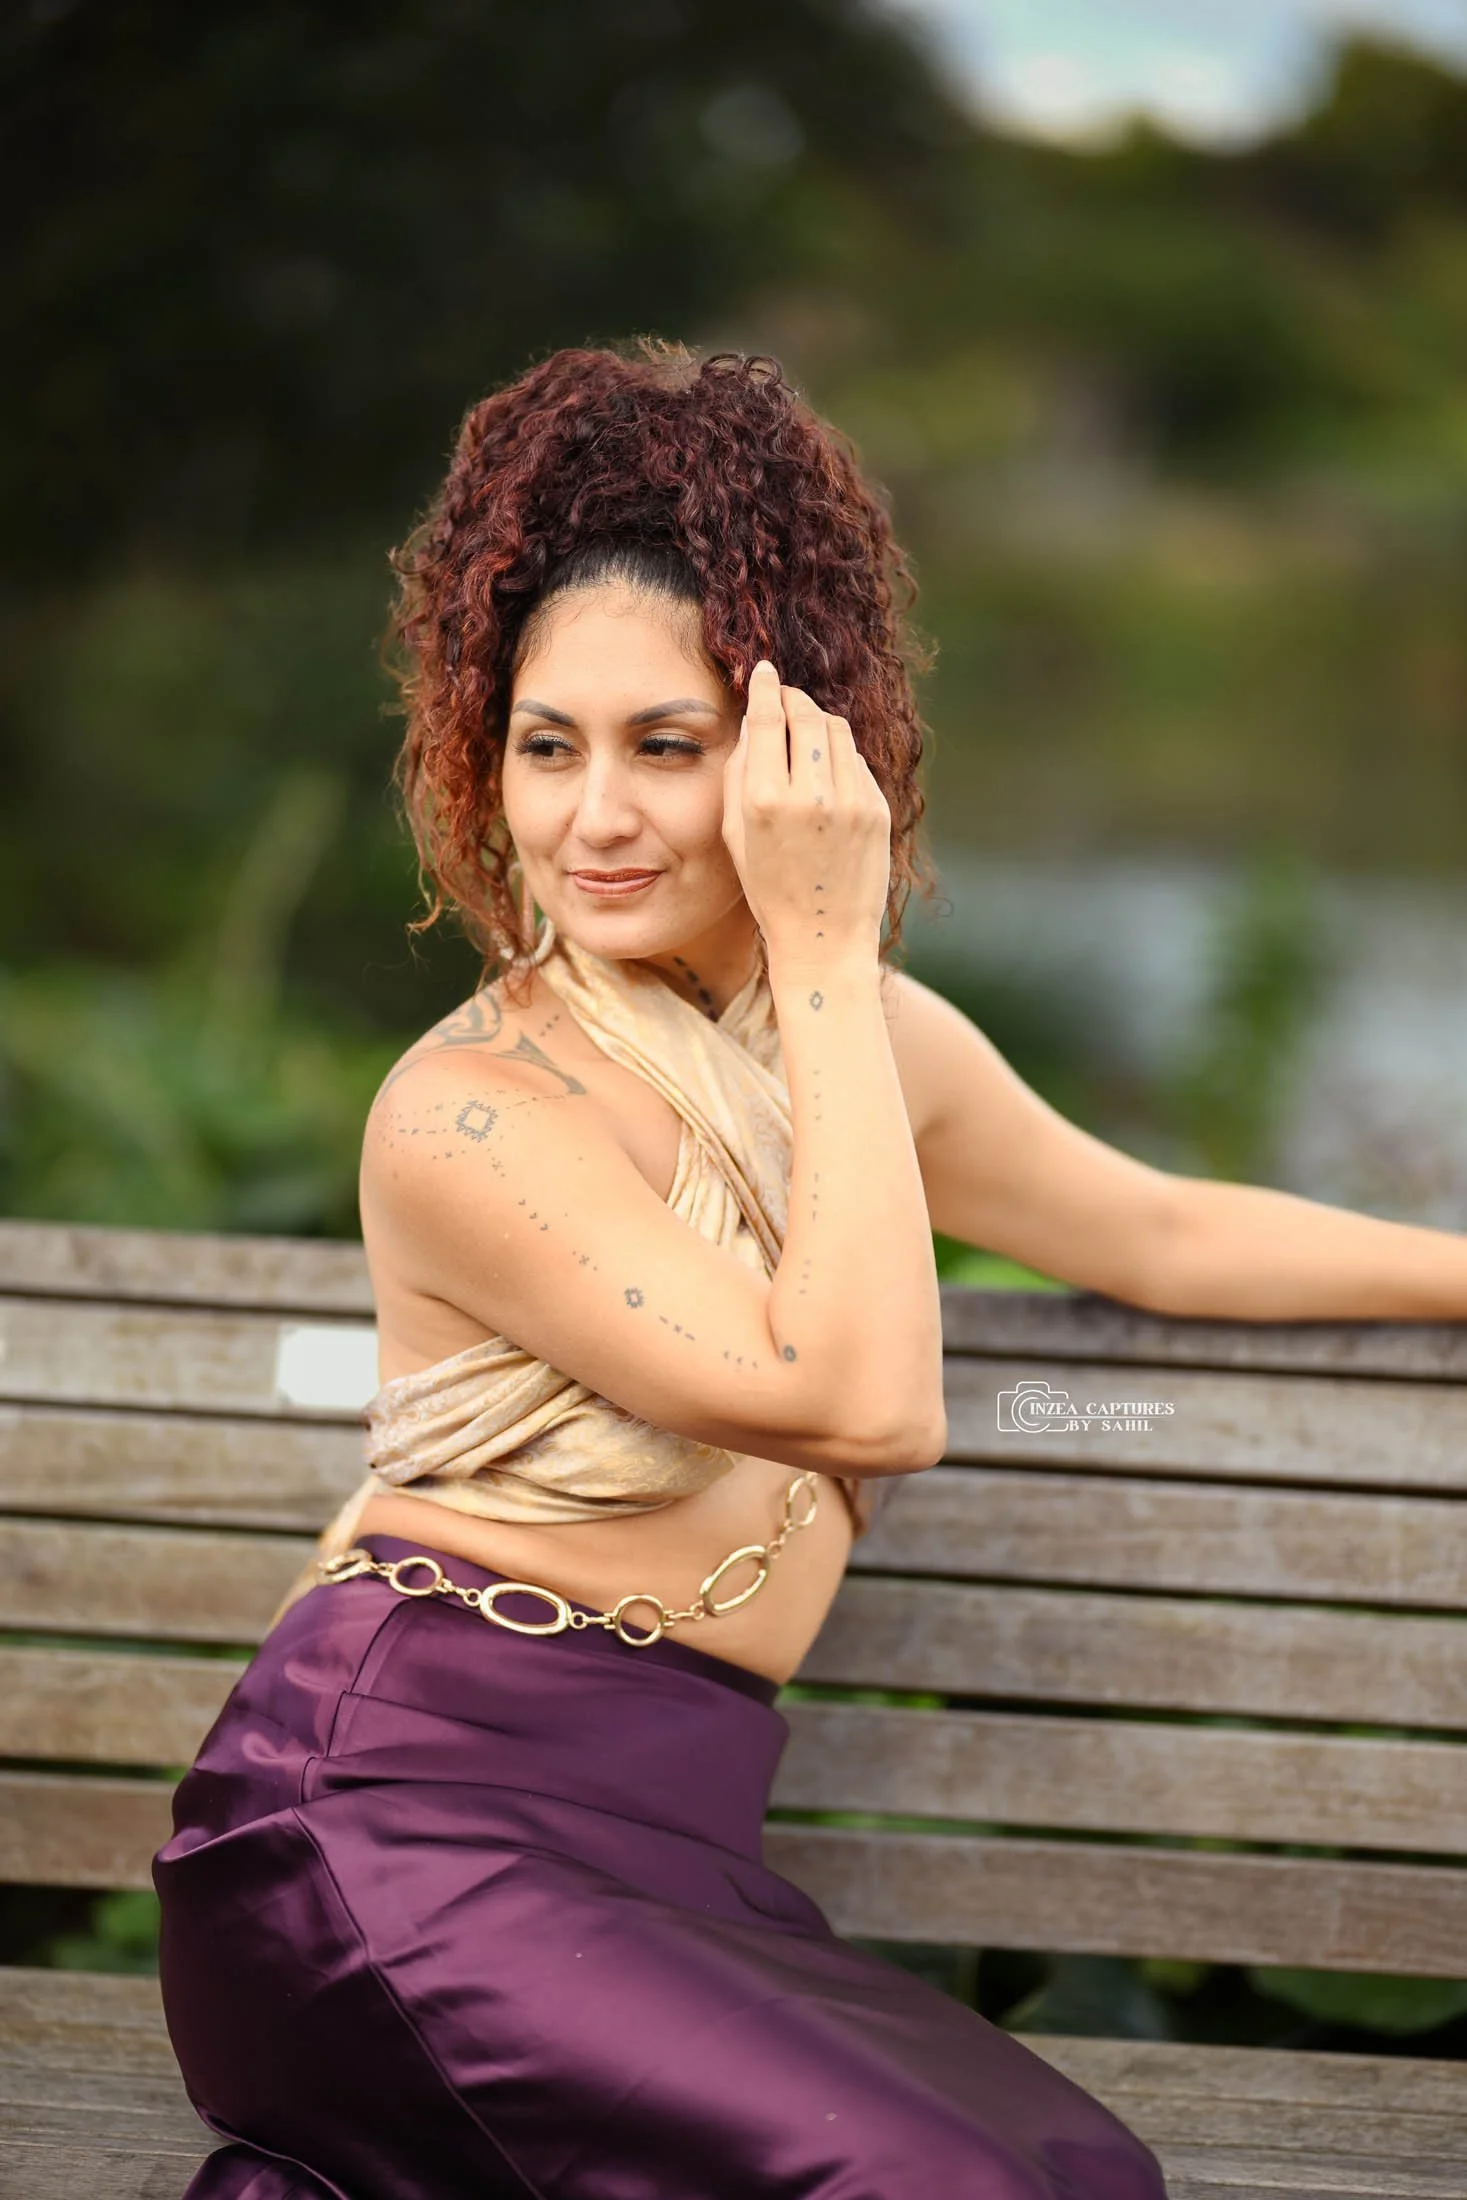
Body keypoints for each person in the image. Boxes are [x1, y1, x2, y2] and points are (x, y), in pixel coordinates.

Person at [154, 340, 1174, 2197]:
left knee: (1084, 2178)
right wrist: (819, 933)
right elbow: (866, 1402)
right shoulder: (472, 1113)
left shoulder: (859, 1053)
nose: (594, 819)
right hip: (385, 1819)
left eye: (666, 747)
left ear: (797, 755)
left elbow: (1165, 1233)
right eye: (546, 747)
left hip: (658, 1843)